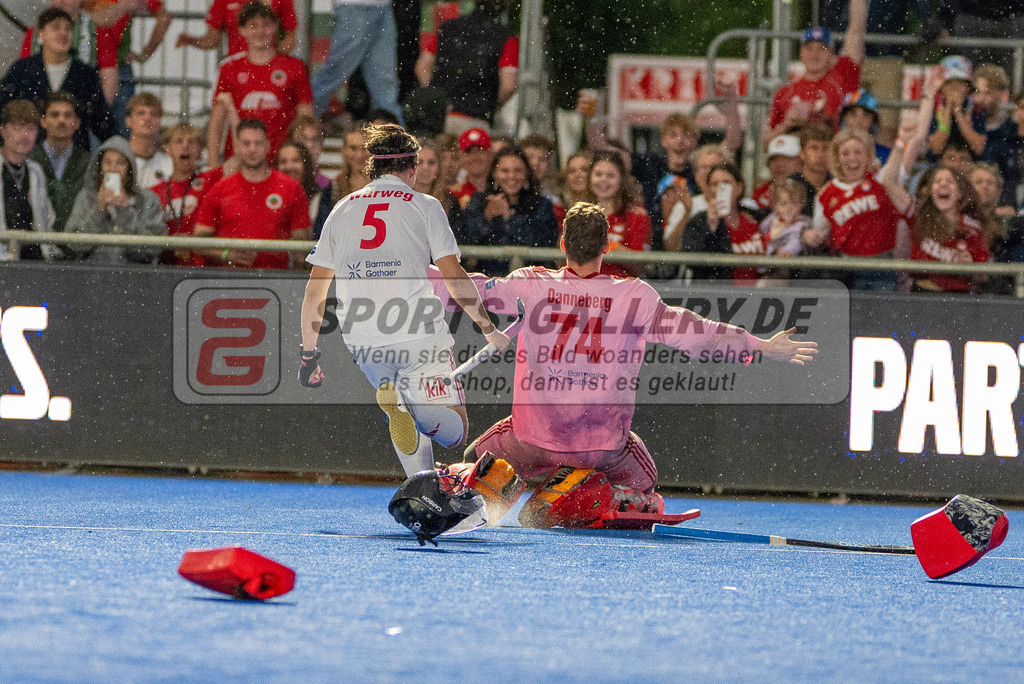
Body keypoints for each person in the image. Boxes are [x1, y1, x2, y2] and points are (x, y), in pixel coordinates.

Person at [449, 202, 817, 525]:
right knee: (643, 482)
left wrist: (419, 269)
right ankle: (576, 493)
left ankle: (491, 489)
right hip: (602, 448)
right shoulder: (634, 295)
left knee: (474, 458)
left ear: (562, 245)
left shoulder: (530, 283)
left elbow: (469, 289)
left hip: (533, 438)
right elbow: (697, 333)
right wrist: (760, 345)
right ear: (607, 248)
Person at [299, 122, 509, 477]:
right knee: (455, 432)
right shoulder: (425, 205)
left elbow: (314, 292)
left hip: (362, 339)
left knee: (398, 411)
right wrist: (489, 328)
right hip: (416, 330)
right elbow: (454, 276)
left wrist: (308, 353)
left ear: (372, 167)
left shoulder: (342, 208)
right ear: (411, 168)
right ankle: (413, 405)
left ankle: (423, 484)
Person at [194, 118, 311, 269]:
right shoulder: (219, 189)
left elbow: (301, 247)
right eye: (246, 143)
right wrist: (225, 254)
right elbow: (198, 241)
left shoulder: (291, 187)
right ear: (237, 146)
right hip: (229, 282)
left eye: (258, 143)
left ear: (268, 146)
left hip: (275, 283)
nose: (252, 149)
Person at [207, 2, 313, 167]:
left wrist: (302, 161)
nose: (260, 31)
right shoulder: (229, 69)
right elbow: (217, 123)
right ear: (241, 30)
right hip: (240, 161)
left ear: (275, 27)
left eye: (266, 25)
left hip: (282, 162)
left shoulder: (294, 68)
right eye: (253, 26)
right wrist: (212, 166)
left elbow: (305, 119)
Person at [1, 7, 111, 150]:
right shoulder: (22, 70)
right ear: (41, 35)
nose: (62, 33)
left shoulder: (84, 74)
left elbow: (102, 121)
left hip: (74, 159)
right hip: (30, 152)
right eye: (56, 28)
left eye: (67, 29)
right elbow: (3, 111)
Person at [764, 0, 867, 143]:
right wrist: (787, 125)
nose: (814, 55)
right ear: (801, 53)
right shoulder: (785, 92)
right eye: (809, 48)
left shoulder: (843, 76)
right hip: (799, 160)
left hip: (834, 156)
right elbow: (765, 143)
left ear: (832, 53)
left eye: (821, 49)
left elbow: (856, 30)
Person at [459, 146, 559, 275]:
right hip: (488, 280)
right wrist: (487, 217)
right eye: (505, 171)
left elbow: (542, 243)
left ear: (526, 174)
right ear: (495, 174)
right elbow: (466, 239)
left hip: (530, 281)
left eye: (518, 171)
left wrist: (509, 219)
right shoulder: (479, 201)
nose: (511, 176)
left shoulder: (542, 205)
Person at [65, 135, 166, 263]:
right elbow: (74, 245)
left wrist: (124, 211)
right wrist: (98, 210)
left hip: (134, 276)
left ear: (130, 167)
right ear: (99, 166)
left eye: (120, 163)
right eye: (108, 162)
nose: (113, 169)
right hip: (92, 276)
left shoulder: (148, 200)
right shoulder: (86, 197)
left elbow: (152, 249)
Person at [427, 0, 518, 134]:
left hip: (440, 119)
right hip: (476, 121)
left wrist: (436, 97)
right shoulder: (507, 38)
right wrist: (490, 104)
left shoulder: (447, 28)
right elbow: (509, 85)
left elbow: (422, 65)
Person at [308, 0, 403, 123]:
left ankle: (393, 135)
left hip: (383, 6)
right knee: (335, 73)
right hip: (354, 6)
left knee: (385, 82)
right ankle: (302, 121)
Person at [94, 0, 170, 137]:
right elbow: (164, 16)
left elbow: (164, 16)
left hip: (99, 65)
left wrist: (146, 53)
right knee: (120, 131)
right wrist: (146, 52)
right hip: (115, 67)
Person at [680, 162, 765, 283]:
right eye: (715, 184)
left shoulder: (755, 217)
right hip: (720, 295)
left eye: (727, 182)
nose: (721, 188)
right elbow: (693, 262)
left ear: (739, 188)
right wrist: (710, 227)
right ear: (708, 189)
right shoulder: (698, 222)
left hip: (762, 294)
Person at [152, 123, 223, 266]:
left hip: (203, 267)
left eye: (191, 142)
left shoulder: (210, 180)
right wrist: (173, 243)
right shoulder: (155, 192)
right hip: (167, 267)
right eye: (179, 141)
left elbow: (240, 157)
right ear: (168, 149)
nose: (185, 146)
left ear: (199, 150)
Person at [0, 99, 56, 262]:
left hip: (33, 260)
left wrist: (49, 251)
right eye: (18, 128)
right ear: (3, 131)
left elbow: (46, 220)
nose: (25, 135)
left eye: (31, 129)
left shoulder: (36, 171)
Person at [28, 91, 90, 234]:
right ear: (43, 121)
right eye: (55, 115)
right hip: (35, 242)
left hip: (76, 244)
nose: (61, 121)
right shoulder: (29, 158)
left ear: (77, 123)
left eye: (68, 115)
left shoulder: (88, 162)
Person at [587, 150, 650, 278]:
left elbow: (640, 266)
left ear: (621, 179)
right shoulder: (578, 215)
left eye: (610, 175)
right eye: (598, 174)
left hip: (623, 290)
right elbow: (562, 260)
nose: (603, 180)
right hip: (585, 290)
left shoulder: (637, 215)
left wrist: (608, 245)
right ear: (589, 177)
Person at [970, 64, 1022, 207]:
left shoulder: (1012, 131)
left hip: (1002, 200)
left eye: (987, 93)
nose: (980, 99)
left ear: (1002, 95)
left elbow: (1012, 176)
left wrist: (1006, 205)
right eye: (977, 93)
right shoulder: (968, 125)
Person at [176, 0, 298, 56]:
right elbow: (212, 40)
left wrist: (266, 60)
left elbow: (290, 40)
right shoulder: (222, 1)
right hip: (236, 71)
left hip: (269, 70)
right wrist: (189, 40)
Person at [275, 140, 331, 240]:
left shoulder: (320, 198)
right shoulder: (271, 198)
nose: (289, 167)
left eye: (295, 161)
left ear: (306, 165)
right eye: (283, 162)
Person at [124, 92, 172, 188]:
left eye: (154, 114)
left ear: (159, 121)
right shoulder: (118, 161)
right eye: (141, 113)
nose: (147, 118)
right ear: (128, 121)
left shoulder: (169, 164)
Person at [752, 135, 803, 210]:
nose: (779, 164)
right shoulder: (759, 194)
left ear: (800, 161)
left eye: (786, 158)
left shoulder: (809, 193)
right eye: (774, 159)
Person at [449, 127, 492, 210]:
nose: (475, 157)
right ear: (461, 157)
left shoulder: (500, 192)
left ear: (490, 154)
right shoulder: (452, 194)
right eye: (469, 152)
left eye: (480, 150)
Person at [287, 115, 330, 190]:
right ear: (290, 143)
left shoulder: (327, 185)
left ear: (322, 145)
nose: (309, 145)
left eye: (315, 139)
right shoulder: (280, 180)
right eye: (303, 139)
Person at [333, 125, 371, 201]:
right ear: (344, 150)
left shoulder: (384, 186)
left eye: (364, 148)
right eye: (353, 148)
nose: (359, 155)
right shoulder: (334, 188)